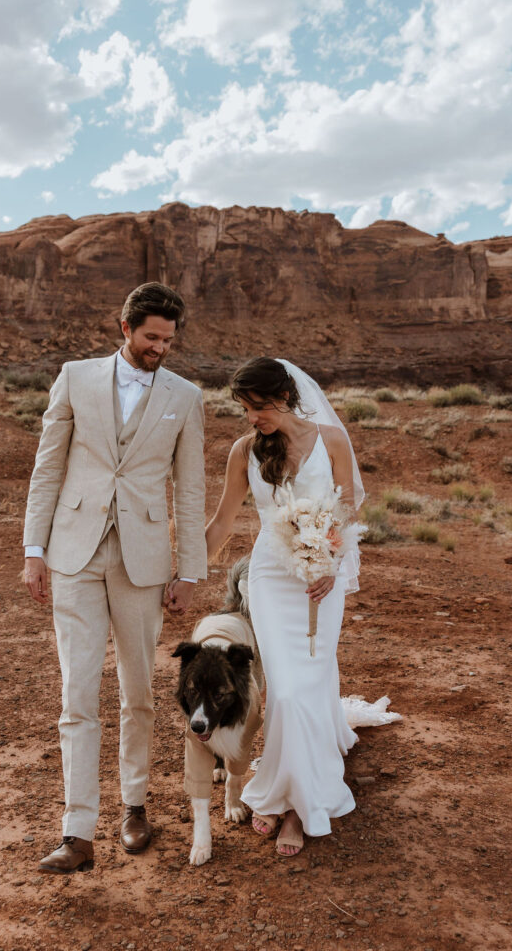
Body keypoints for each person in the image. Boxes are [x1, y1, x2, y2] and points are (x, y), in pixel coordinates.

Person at [23, 282, 207, 874]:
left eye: (168, 340)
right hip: (72, 554)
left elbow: (190, 487)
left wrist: (190, 570)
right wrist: (34, 549)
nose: (160, 348)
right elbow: (48, 465)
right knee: (77, 693)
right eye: (152, 337)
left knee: (138, 691)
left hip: (144, 561)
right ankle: (76, 832)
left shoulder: (186, 396)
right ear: (125, 328)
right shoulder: (74, 377)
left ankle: (134, 806)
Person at [205, 356, 364, 856]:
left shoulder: (332, 441)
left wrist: (331, 562)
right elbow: (224, 518)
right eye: (245, 409)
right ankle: (279, 787)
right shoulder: (244, 451)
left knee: (309, 683)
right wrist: (185, 571)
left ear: (285, 398)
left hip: (321, 579)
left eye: (259, 407)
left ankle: (297, 806)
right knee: (286, 689)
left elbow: (350, 507)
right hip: (271, 577)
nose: (252, 418)